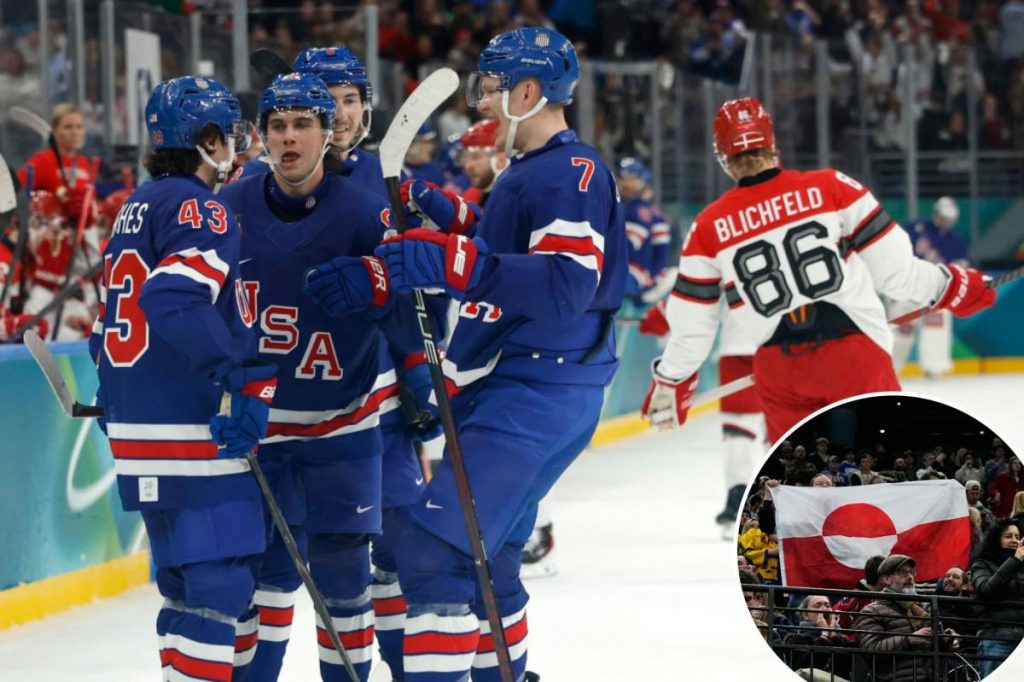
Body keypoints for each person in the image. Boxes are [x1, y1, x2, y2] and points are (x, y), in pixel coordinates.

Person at [369, 26, 627, 681]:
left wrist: (446, 259)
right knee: (491, 563)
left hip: (534, 391)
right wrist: (438, 218)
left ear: (530, 92)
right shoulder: (534, 173)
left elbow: (565, 285)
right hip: (528, 387)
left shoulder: (569, 171)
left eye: (490, 89)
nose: (481, 104)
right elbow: (501, 248)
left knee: (432, 554)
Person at [219, 72, 422, 682]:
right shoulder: (229, 208)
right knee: (266, 581)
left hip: (344, 429)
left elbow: (415, 312)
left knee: (343, 583)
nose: (288, 138)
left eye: (302, 124)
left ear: (326, 132)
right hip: (264, 430)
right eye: (277, 126)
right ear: (261, 134)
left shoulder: (364, 213)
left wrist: (384, 292)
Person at [642, 97, 996, 443]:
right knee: (888, 468)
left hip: (780, 371)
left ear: (723, 157)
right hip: (855, 356)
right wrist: (956, 286)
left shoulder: (707, 226)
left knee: (797, 486)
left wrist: (671, 380)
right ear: (772, 144)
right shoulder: (833, 187)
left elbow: (693, 329)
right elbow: (897, 274)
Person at [89, 75, 275, 682]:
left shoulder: (136, 204)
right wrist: (239, 374)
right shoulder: (202, 207)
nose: (239, 147)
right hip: (189, 426)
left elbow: (106, 326)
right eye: (230, 134)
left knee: (186, 588)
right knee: (219, 585)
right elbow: (170, 295)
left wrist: (113, 387)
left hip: (140, 424)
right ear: (206, 140)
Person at [291, 46, 438, 680]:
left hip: (381, 404)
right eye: (329, 99)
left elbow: (415, 292)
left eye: (351, 99)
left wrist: (420, 375)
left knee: (401, 551)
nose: (342, 112)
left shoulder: (384, 180)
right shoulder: (275, 182)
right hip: (300, 408)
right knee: (312, 569)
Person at [891, 196, 970, 377]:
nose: (944, 221)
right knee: (901, 331)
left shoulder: (956, 240)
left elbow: (961, 267)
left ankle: (934, 367)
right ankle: (890, 368)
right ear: (935, 212)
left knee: (936, 329)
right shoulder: (915, 228)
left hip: (937, 293)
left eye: (948, 219)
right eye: (942, 216)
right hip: (909, 288)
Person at [855, 554, 960, 681]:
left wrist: (947, 639)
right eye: (903, 573)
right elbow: (870, 651)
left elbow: (937, 647)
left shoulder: (923, 608)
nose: (910, 577)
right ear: (886, 579)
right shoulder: (871, 611)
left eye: (912, 573)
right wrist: (909, 640)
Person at [16, 102, 96, 223]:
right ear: (54, 131)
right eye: (68, 127)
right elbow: (16, 194)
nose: (75, 133)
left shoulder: (84, 163)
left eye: (79, 127)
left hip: (79, 234)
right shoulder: (41, 161)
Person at [969, 518, 1024, 677]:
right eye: (1008, 536)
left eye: (1017, 536)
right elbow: (986, 590)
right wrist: (1014, 561)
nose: (1014, 540)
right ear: (996, 538)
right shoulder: (982, 563)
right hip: (997, 638)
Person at [458, 117, 508, 208]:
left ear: (501, 160)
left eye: (476, 157)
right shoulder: (471, 197)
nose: (468, 165)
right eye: (466, 158)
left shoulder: (514, 201)